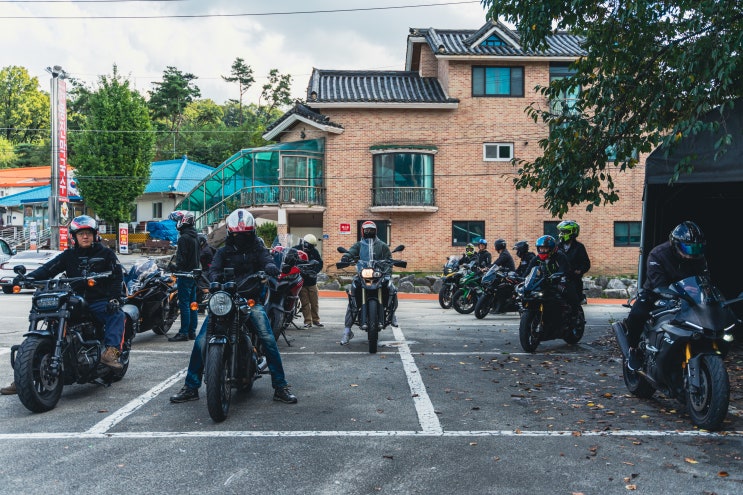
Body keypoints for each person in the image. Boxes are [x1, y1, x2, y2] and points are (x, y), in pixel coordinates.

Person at [169, 208, 297, 404]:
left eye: (244, 234)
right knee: (201, 341)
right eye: (237, 234)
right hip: (224, 300)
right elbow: (214, 270)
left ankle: (280, 386)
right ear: (230, 232)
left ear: (252, 232)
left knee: (268, 338)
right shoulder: (223, 251)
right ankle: (191, 386)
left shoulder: (258, 250)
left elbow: (267, 261)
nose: (240, 237)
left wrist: (270, 269)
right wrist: (212, 280)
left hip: (249, 300)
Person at [16, 215, 125, 370]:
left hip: (98, 300)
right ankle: (27, 369)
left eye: (88, 233)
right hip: (75, 300)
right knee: (51, 319)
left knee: (117, 315)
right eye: (81, 234)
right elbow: (48, 269)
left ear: (95, 235)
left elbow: (117, 277)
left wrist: (114, 298)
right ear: (74, 237)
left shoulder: (106, 254)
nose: (85, 236)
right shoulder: (69, 255)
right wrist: (27, 278)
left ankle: (111, 353)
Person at [623, 221, 708, 370]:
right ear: (675, 244)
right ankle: (633, 350)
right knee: (637, 314)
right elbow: (658, 283)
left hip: (688, 296)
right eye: (687, 248)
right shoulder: (658, 254)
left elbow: (704, 280)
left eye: (696, 248)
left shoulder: (698, 257)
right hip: (656, 293)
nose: (691, 253)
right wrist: (669, 294)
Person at [340, 221, 398, 345]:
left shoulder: (382, 245)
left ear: (375, 231)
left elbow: (389, 259)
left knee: (391, 288)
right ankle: (347, 331)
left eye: (371, 230)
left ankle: (392, 313)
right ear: (362, 231)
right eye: (366, 230)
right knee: (352, 294)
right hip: (362, 274)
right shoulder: (359, 245)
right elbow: (351, 252)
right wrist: (346, 256)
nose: (369, 232)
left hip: (379, 274)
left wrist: (389, 266)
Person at [167, 211, 200, 342]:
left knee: (184, 304)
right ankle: (192, 331)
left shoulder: (183, 238)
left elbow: (181, 260)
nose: (176, 224)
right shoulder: (195, 237)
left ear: (183, 221)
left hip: (184, 275)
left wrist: (173, 266)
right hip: (194, 274)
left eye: (177, 221)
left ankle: (184, 332)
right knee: (193, 303)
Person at [294, 234, 324, 328]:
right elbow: (289, 258)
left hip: (312, 282)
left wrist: (314, 272)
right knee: (305, 303)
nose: (310, 248)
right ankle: (307, 321)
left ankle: (316, 320)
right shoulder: (296, 249)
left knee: (314, 303)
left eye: (312, 246)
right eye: (309, 245)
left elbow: (320, 263)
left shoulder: (314, 251)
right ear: (305, 243)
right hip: (301, 281)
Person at [557, 220, 591, 303]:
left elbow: (586, 263)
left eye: (565, 232)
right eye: (562, 232)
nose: (562, 234)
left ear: (573, 232)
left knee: (575, 300)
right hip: (558, 277)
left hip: (573, 278)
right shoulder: (557, 246)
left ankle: (576, 312)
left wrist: (579, 271)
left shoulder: (579, 247)